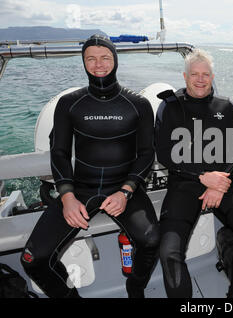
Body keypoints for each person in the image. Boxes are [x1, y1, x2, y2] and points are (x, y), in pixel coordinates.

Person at [20, 34, 160, 298]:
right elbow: (59, 153)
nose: (98, 64)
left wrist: (127, 191)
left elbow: (145, 153)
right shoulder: (69, 103)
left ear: (115, 60)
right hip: (79, 190)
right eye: (91, 59)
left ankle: (135, 287)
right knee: (32, 258)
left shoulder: (138, 104)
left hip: (124, 188)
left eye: (105, 57)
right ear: (83, 62)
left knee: (151, 240)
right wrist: (67, 197)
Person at [155, 48, 233, 298]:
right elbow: (164, 153)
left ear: (212, 77)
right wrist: (202, 177)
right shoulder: (169, 107)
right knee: (169, 251)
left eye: (206, 74)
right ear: (185, 77)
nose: (200, 79)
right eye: (195, 74)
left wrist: (218, 183)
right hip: (184, 183)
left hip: (222, 182)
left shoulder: (224, 107)